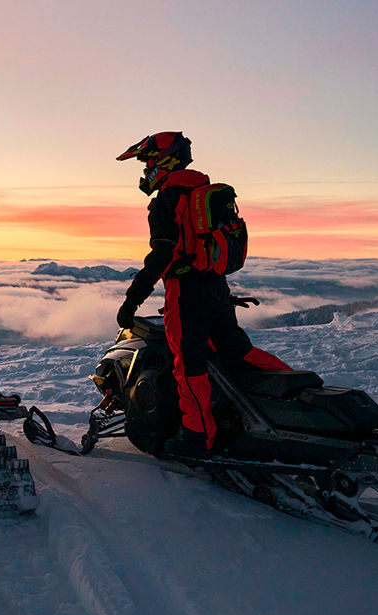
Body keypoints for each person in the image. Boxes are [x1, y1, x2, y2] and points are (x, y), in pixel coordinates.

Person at [115, 132, 290, 458]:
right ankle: (297, 388)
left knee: (189, 366)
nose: (145, 170)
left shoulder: (168, 200)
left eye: (147, 161)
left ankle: (199, 437)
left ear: (163, 159)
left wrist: (132, 299)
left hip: (185, 294)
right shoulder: (204, 193)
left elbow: (162, 255)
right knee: (237, 352)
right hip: (215, 287)